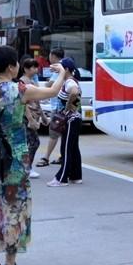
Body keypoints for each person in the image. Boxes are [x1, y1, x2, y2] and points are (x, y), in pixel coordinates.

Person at [0, 46, 71, 265]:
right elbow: (52, 91)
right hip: (15, 156)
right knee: (14, 207)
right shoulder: (19, 90)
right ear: (12, 67)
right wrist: (62, 72)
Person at [48, 56, 85, 187]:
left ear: (67, 69)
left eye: (61, 68)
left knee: (66, 149)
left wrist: (69, 106)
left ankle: (61, 178)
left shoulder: (70, 82)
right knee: (73, 148)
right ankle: (76, 176)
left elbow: (74, 92)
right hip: (74, 119)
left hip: (71, 120)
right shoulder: (69, 81)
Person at [35, 49, 67, 168]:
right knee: (64, 133)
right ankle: (63, 155)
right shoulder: (65, 67)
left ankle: (46, 157)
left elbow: (50, 85)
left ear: (53, 56)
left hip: (57, 107)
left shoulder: (59, 68)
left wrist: (49, 83)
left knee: (54, 133)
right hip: (62, 107)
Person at [19, 57, 44, 179]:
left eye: (36, 67)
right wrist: (30, 119)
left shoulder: (33, 81)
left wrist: (43, 116)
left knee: (30, 142)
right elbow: (23, 104)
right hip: (27, 117)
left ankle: (27, 167)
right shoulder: (22, 83)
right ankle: (27, 168)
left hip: (35, 115)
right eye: (33, 67)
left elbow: (37, 100)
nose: (36, 69)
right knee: (34, 142)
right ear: (26, 69)